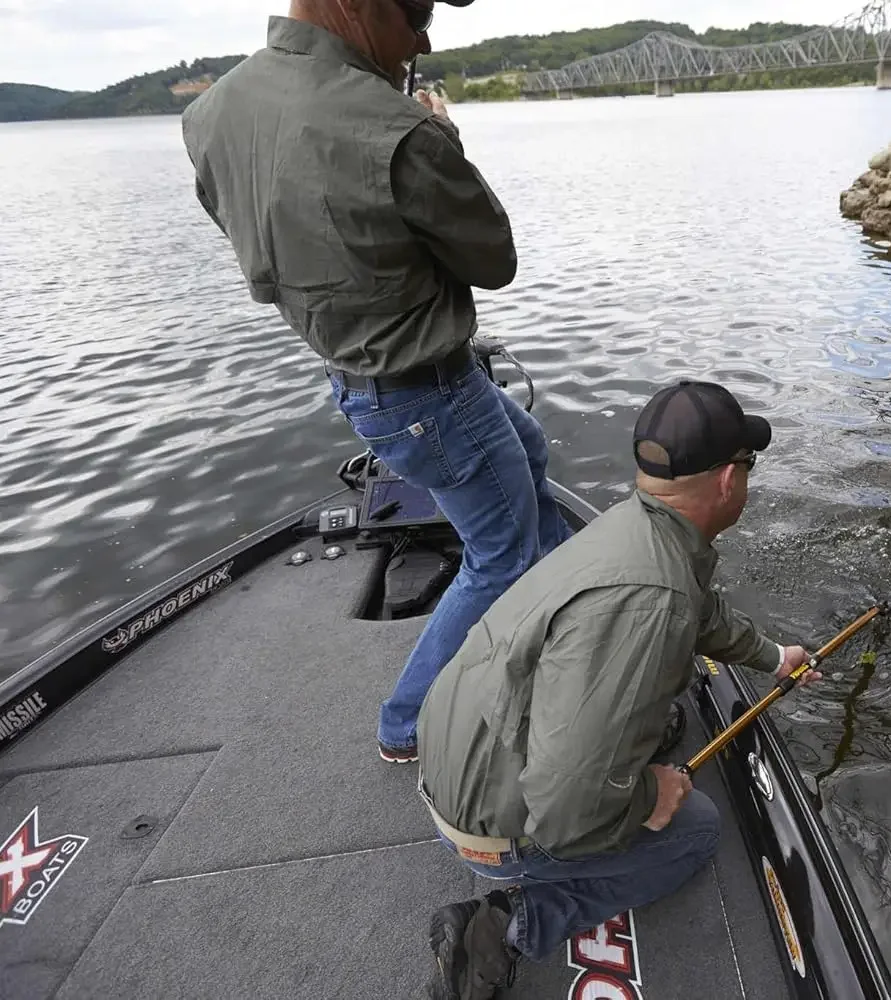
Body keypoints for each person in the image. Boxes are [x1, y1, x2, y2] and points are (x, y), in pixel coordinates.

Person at [180, 0, 571, 765]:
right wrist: (443, 139)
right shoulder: (401, 131)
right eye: (417, 13)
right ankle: (407, 722)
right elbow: (494, 261)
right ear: (358, 5)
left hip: (359, 382)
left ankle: (564, 612)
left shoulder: (212, 113)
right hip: (431, 391)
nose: (423, 38)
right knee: (500, 554)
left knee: (525, 448)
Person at [413, 380, 822, 998]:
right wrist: (646, 797)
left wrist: (774, 656)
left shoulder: (638, 530)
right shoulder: (651, 603)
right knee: (696, 830)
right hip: (485, 818)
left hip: (464, 744)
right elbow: (566, 808)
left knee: (657, 719)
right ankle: (507, 926)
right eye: (747, 464)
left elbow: (701, 614)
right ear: (726, 482)